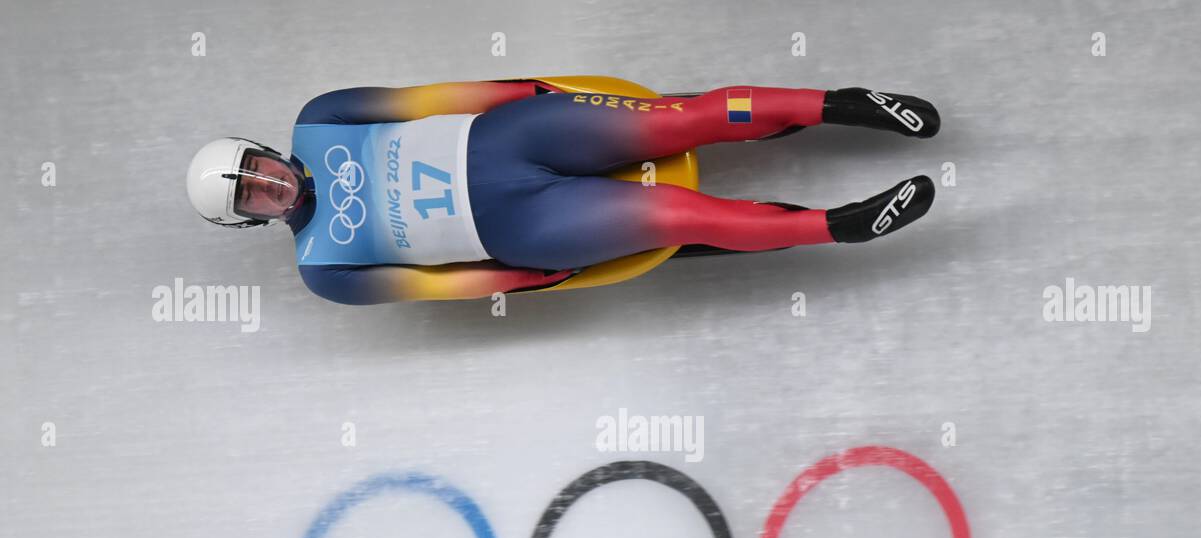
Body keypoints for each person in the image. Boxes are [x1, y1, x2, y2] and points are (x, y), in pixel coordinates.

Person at [186, 81, 940, 304]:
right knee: (683, 216)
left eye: (256, 171)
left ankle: (841, 106)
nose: (269, 187)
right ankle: (842, 226)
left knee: (690, 118)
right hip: (528, 227)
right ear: (252, 222)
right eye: (252, 199)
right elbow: (435, 286)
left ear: (263, 152)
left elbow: (428, 99)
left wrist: (530, 91)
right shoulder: (324, 269)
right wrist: (531, 278)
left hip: (515, 136)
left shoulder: (320, 117)